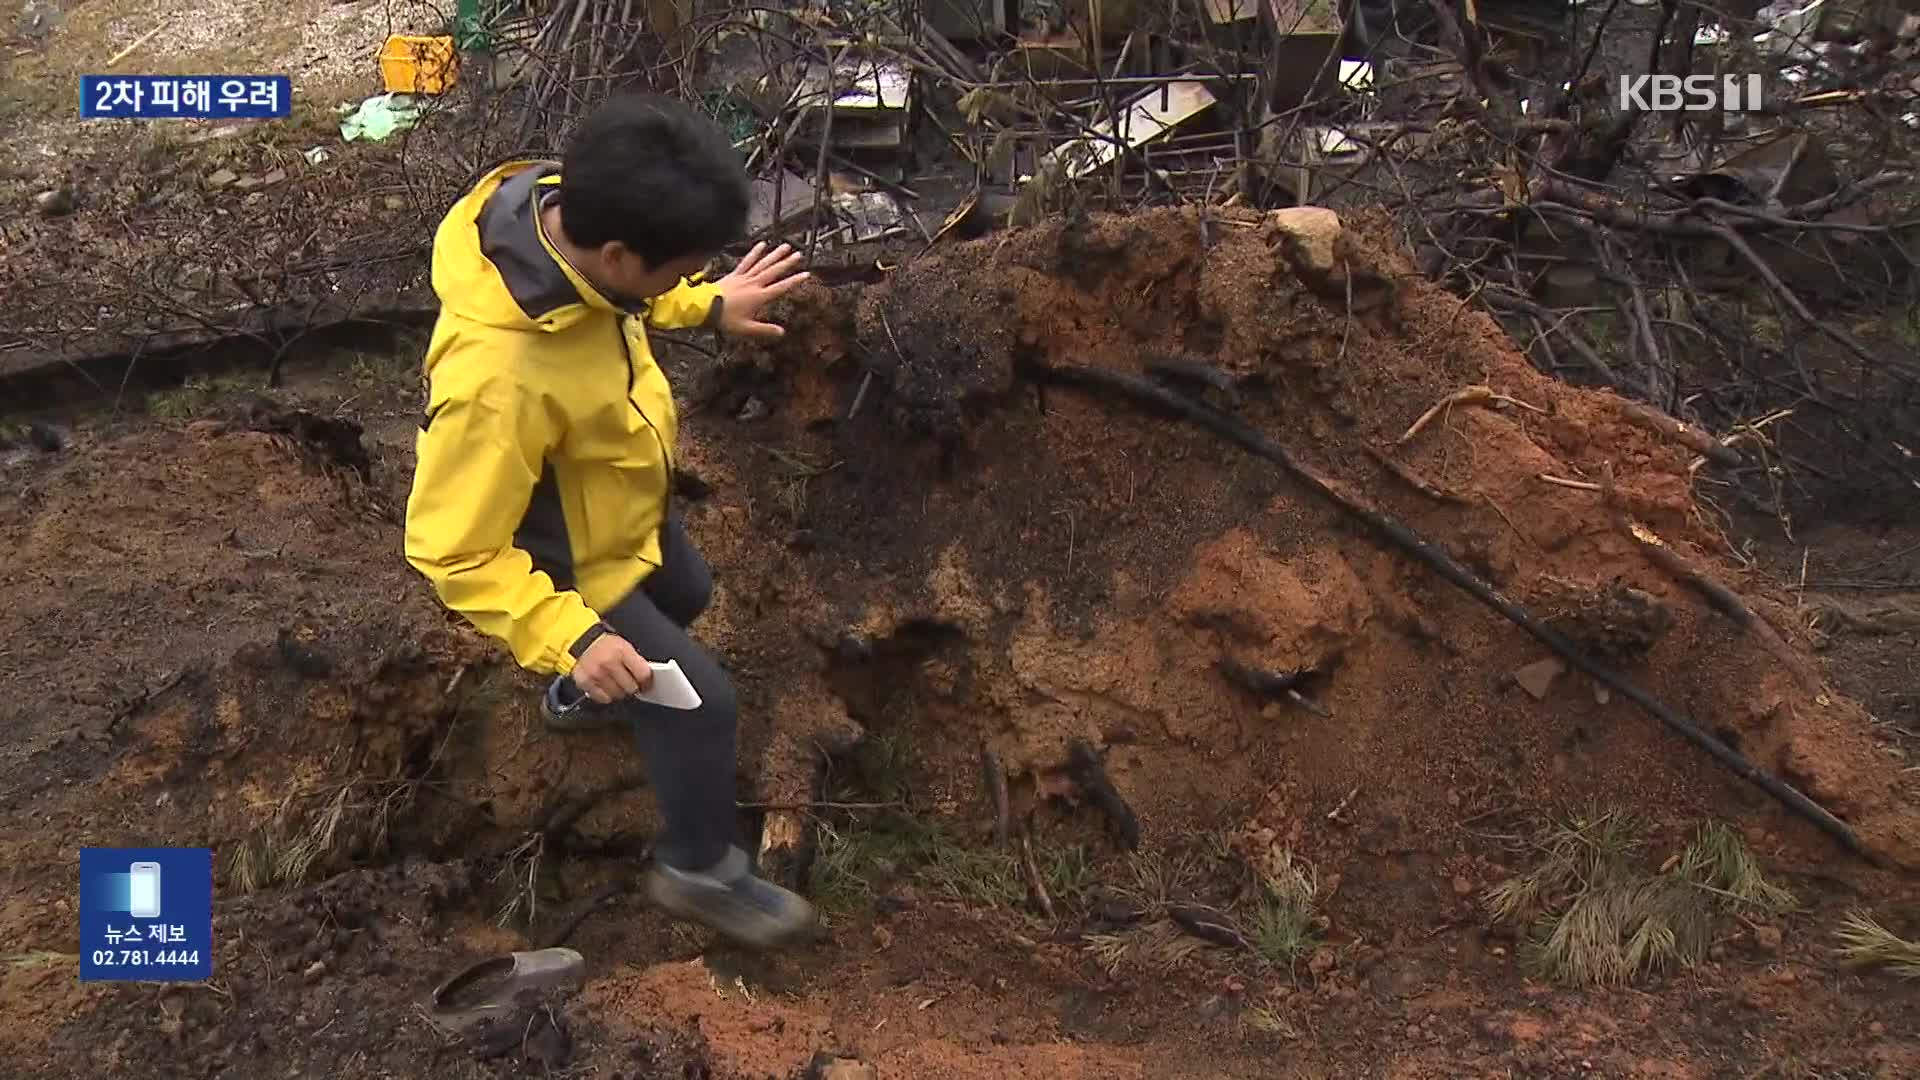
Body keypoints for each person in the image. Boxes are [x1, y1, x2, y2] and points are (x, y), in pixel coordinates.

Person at [403, 93, 815, 949]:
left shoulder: (560, 219)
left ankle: (577, 699)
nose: (685, 281)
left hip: (619, 500)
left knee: (689, 586)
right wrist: (578, 638)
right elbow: (452, 549)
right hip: (563, 558)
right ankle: (699, 869)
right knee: (701, 701)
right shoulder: (496, 379)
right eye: (681, 270)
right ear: (621, 254)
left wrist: (702, 304)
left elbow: (620, 299)